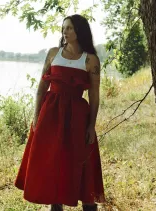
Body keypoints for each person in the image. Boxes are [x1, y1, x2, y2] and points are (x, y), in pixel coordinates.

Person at [15, 14, 105, 211]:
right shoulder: (53, 53)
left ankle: (88, 206)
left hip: (78, 117)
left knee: (81, 162)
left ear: (79, 31)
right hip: (51, 115)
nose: (65, 32)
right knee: (52, 161)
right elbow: (41, 88)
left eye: (70, 28)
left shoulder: (90, 60)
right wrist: (36, 117)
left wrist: (91, 125)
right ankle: (55, 207)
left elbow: (94, 96)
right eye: (64, 28)